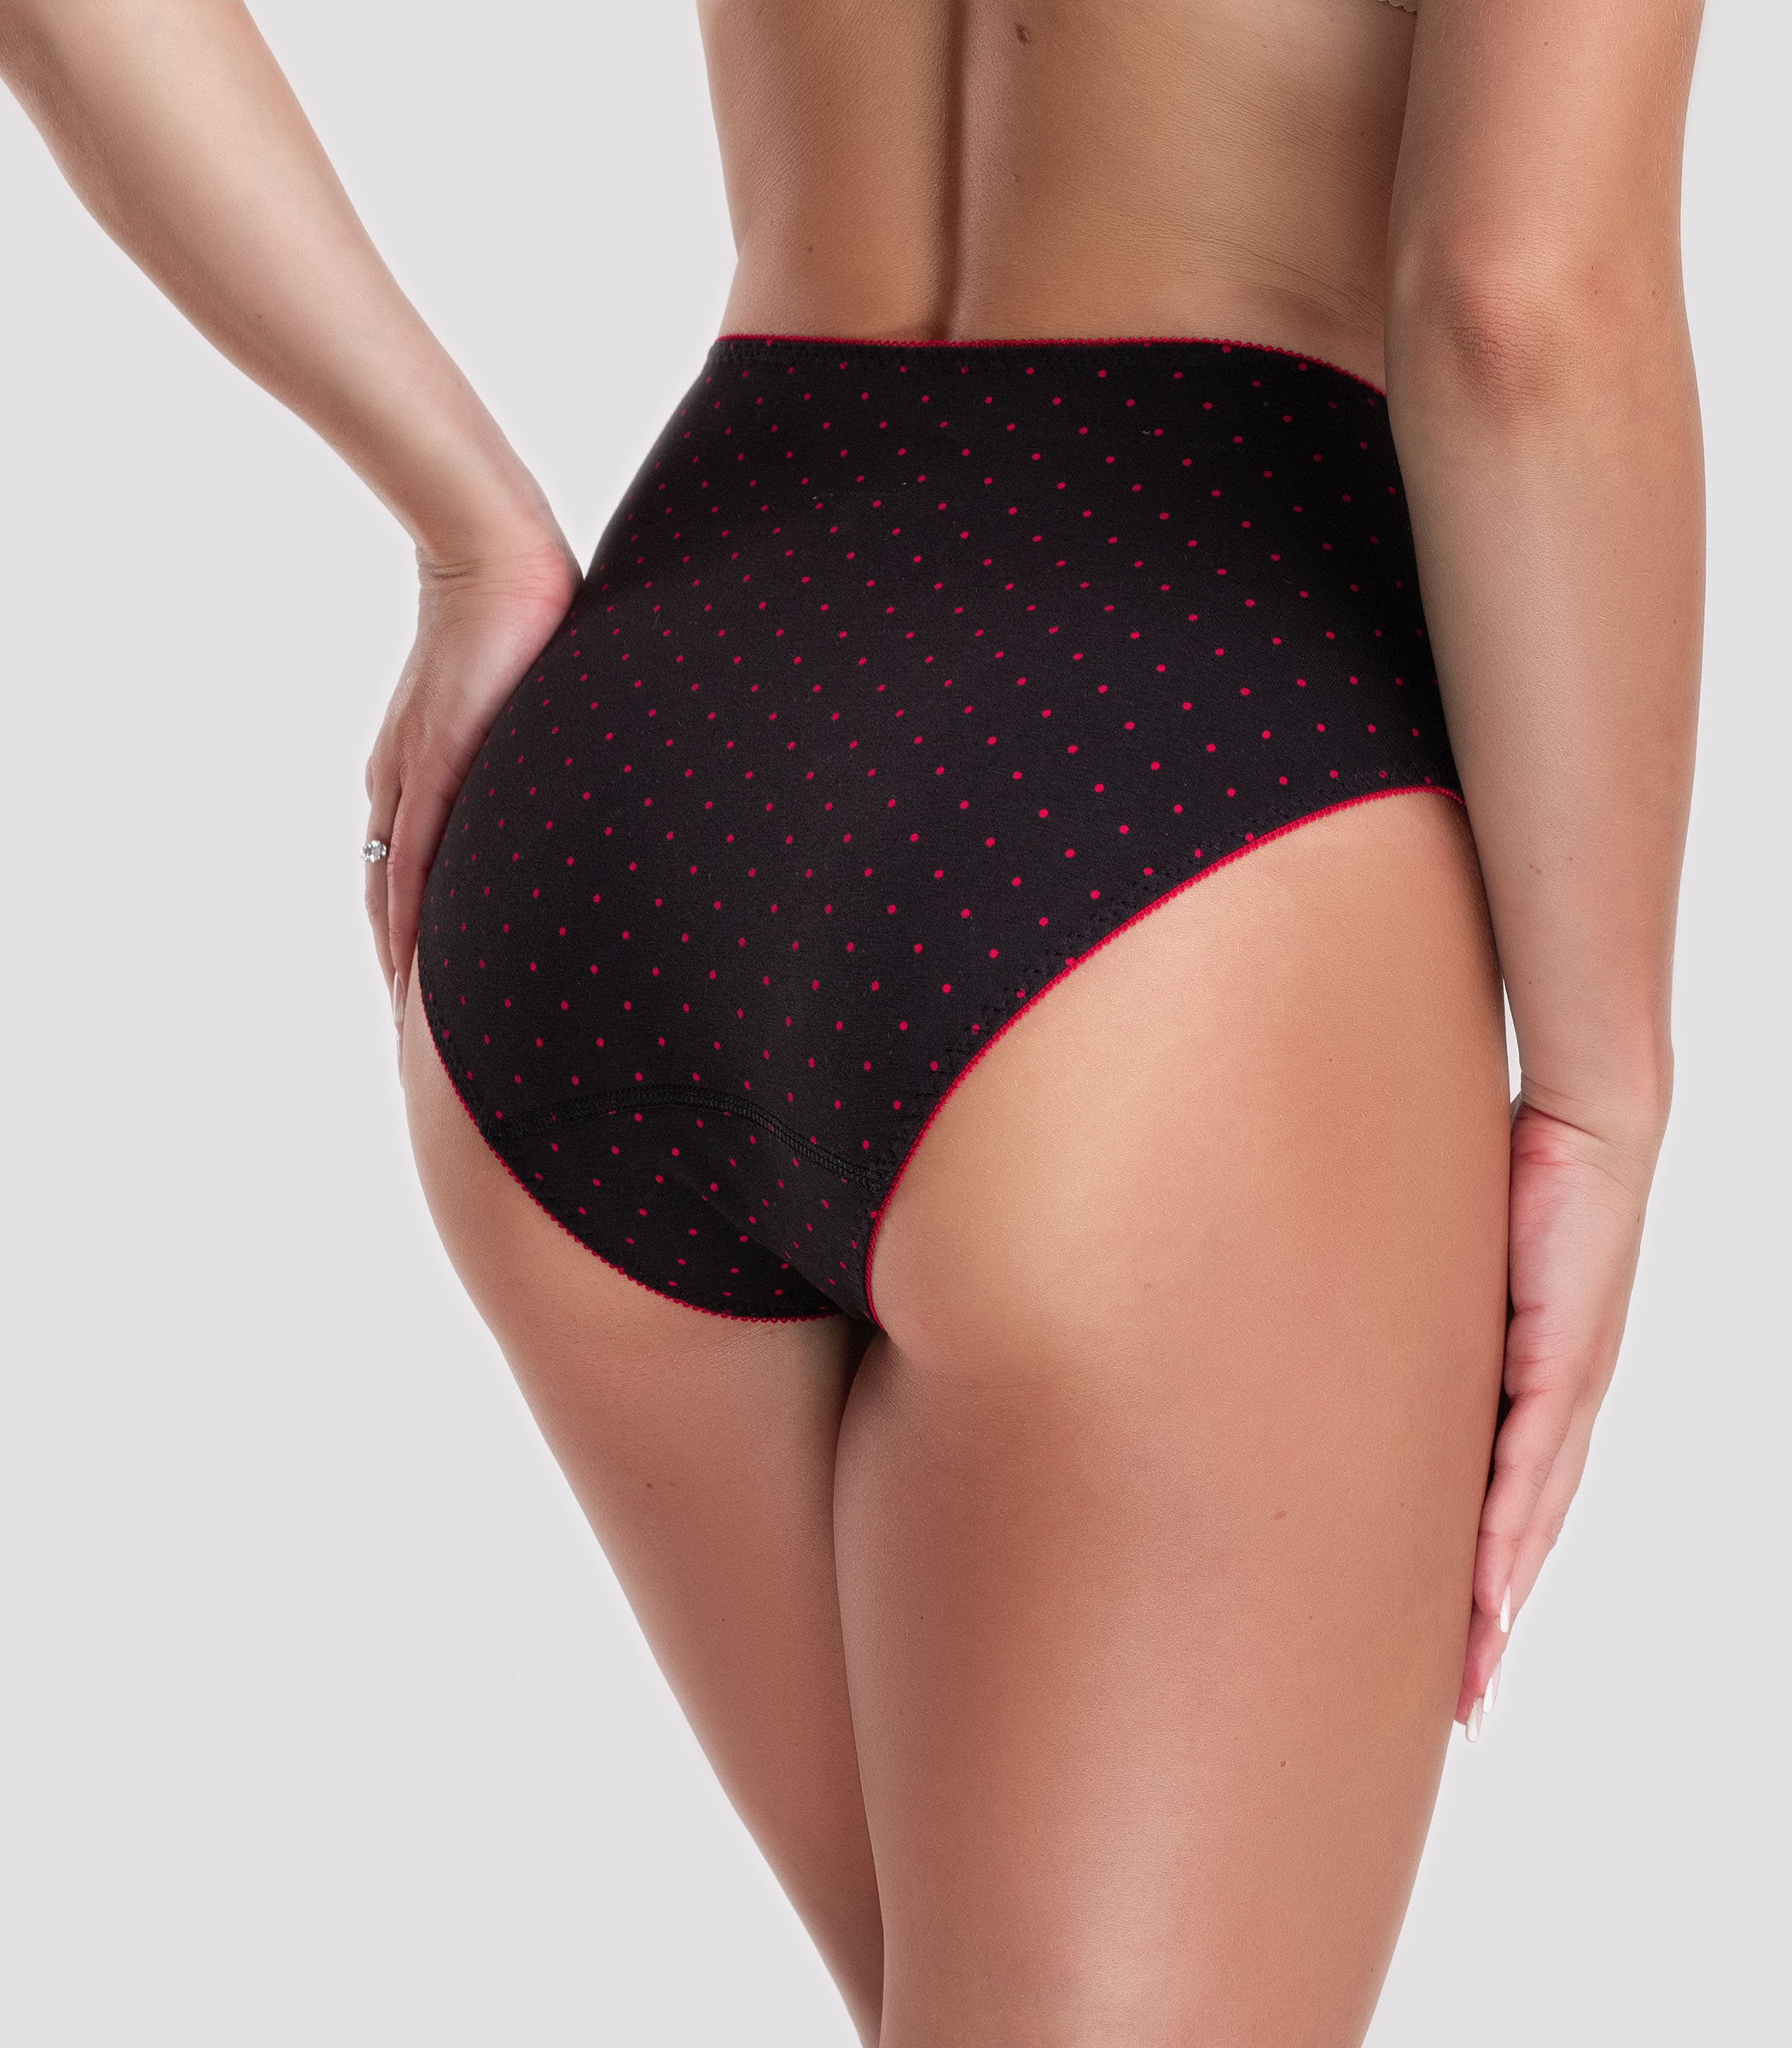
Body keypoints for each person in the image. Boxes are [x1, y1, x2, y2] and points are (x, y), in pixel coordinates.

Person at [0, 1, 1705, 2039]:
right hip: (1168, 798)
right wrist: (1598, 1087)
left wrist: (463, 527)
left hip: (647, 750)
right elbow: (1520, 304)